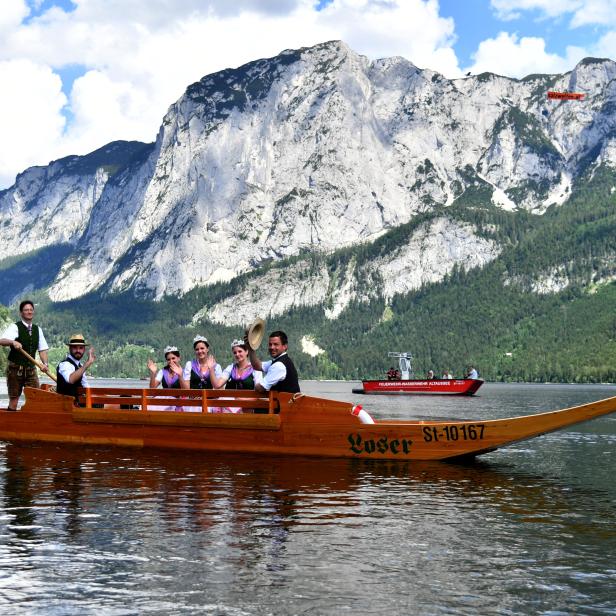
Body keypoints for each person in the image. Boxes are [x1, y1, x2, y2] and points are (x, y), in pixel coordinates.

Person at [0, 300, 51, 412]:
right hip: (15, 369)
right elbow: (2, 340)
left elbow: (42, 349)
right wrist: (12, 342)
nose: (29, 312)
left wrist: (45, 364)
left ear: (33, 312)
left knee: (36, 397)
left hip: (31, 369)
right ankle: (10, 424)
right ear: (21, 313)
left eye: (31, 310)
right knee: (14, 398)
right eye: (26, 310)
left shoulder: (38, 329)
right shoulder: (15, 327)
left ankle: (32, 425)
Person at [219, 339, 263, 413]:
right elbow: (218, 384)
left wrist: (241, 400)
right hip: (230, 407)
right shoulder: (230, 368)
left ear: (246, 352)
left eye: (240, 351)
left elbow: (258, 393)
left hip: (247, 408)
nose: (237, 354)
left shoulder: (255, 369)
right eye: (235, 352)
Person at [56, 334, 96, 403]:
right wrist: (88, 363)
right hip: (66, 406)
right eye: (75, 347)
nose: (78, 350)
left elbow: (86, 386)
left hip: (79, 404)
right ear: (70, 348)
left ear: (84, 349)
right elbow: (70, 379)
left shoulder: (80, 366)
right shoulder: (64, 364)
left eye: (81, 348)